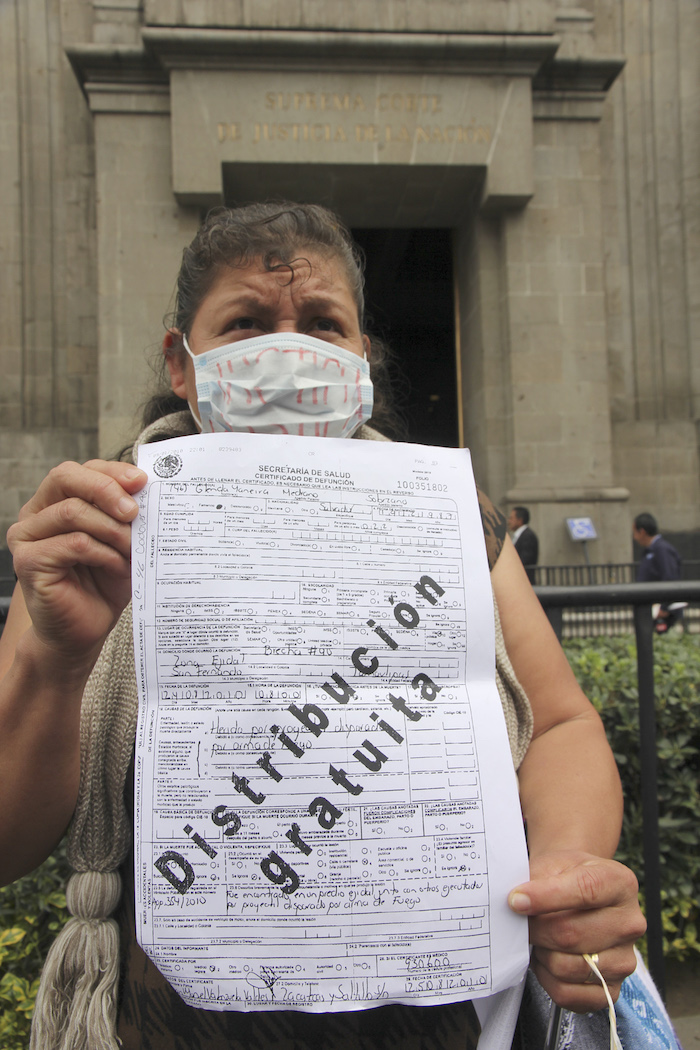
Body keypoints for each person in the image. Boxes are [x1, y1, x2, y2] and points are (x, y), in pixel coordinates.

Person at [0, 203, 646, 1050]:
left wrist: (568, 865)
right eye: (246, 323)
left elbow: (560, 722)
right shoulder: (102, 533)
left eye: (321, 324)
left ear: (362, 359)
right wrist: (56, 656)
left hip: (446, 1017)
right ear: (181, 363)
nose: (290, 348)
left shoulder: (451, 518)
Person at [633, 512, 684, 633]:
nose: (634, 537)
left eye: (635, 532)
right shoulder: (651, 550)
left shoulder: (662, 549)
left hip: (665, 614)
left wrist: (665, 608)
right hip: (652, 609)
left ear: (642, 532)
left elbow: (670, 577)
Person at [507, 506, 539, 583]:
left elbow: (524, 560)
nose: (509, 521)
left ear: (520, 520)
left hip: (524, 581)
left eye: (511, 518)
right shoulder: (519, 535)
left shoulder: (527, 536)